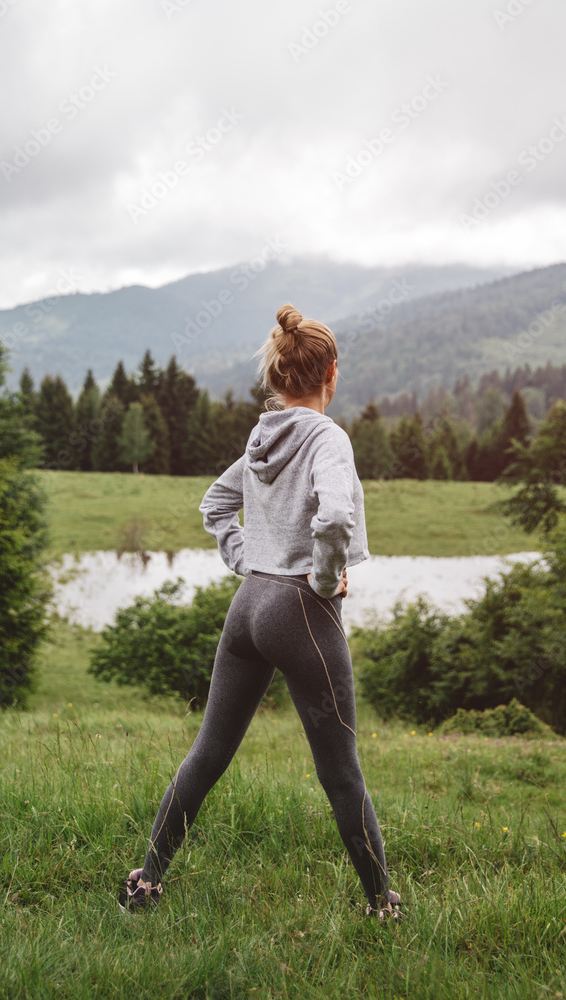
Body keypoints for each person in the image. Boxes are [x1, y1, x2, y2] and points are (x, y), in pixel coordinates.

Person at [118, 303, 404, 920]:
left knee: (208, 752)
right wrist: (326, 579)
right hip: (301, 609)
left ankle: (146, 882)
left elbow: (215, 504)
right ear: (332, 370)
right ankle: (382, 904)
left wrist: (250, 557)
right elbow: (333, 516)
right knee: (341, 773)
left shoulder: (261, 437)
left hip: (248, 606)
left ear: (277, 375)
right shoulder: (328, 437)